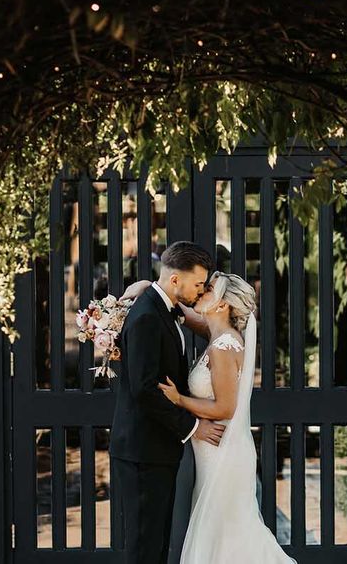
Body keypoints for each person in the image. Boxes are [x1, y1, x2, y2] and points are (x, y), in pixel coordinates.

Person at [124, 270, 297, 564]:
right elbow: (179, 310)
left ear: (221, 305)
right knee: (219, 532)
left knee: (229, 533)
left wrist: (180, 400)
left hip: (224, 452)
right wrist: (148, 287)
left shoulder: (223, 347)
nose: (201, 291)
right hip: (213, 452)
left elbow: (225, 408)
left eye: (208, 290)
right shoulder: (216, 333)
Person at [110, 241, 224, 564]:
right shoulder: (147, 316)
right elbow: (144, 390)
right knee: (145, 550)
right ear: (175, 280)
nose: (200, 291)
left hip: (156, 451)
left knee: (156, 547)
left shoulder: (163, 307)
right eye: (198, 283)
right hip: (142, 454)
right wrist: (192, 426)